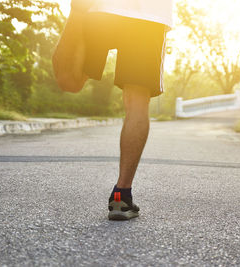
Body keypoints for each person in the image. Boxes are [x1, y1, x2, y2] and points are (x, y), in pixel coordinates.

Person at [66, 0, 173, 220]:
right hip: (146, 15)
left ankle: (74, 13)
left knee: (70, 81)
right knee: (136, 101)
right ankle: (121, 197)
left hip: (99, 11)